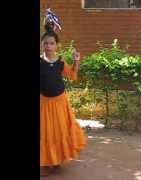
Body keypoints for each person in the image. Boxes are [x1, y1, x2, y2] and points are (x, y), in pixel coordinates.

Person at [40, 8, 86, 176]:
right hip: (45, 103)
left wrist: (76, 61)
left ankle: (57, 159)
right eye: (46, 43)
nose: (49, 46)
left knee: (60, 131)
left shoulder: (60, 62)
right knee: (47, 133)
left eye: (52, 43)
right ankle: (47, 162)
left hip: (60, 102)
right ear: (42, 45)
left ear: (57, 45)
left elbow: (72, 76)